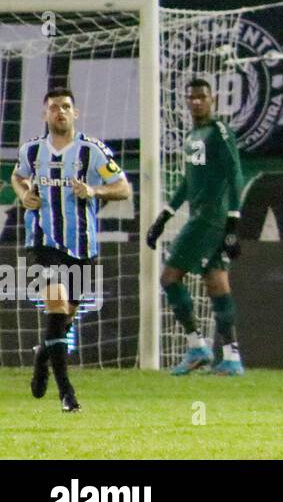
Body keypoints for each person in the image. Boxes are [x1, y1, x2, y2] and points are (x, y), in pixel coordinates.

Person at [12, 88, 132, 413]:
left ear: (75, 114)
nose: (60, 112)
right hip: (44, 243)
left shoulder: (92, 152)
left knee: (64, 322)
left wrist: (94, 189)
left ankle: (42, 357)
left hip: (82, 247)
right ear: (45, 114)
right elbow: (18, 176)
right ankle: (67, 394)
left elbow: (123, 188)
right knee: (56, 307)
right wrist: (24, 195)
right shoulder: (32, 150)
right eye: (54, 107)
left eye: (66, 107)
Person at [146, 80, 246, 376]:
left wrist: (233, 223)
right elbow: (188, 184)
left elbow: (235, 174)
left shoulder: (219, 132)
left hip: (209, 219)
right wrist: (163, 218)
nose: (196, 102)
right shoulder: (192, 135)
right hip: (202, 215)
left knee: (169, 277)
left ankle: (197, 346)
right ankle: (231, 357)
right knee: (217, 284)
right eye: (191, 98)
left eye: (202, 97)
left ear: (212, 99)